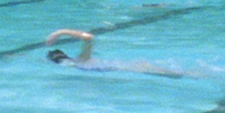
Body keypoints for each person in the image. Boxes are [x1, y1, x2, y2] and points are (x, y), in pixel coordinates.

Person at [45, 28, 188, 79]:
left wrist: (59, 32)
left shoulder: (80, 62)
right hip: (126, 67)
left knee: (181, 75)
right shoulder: (78, 62)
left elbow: (88, 37)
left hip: (128, 68)